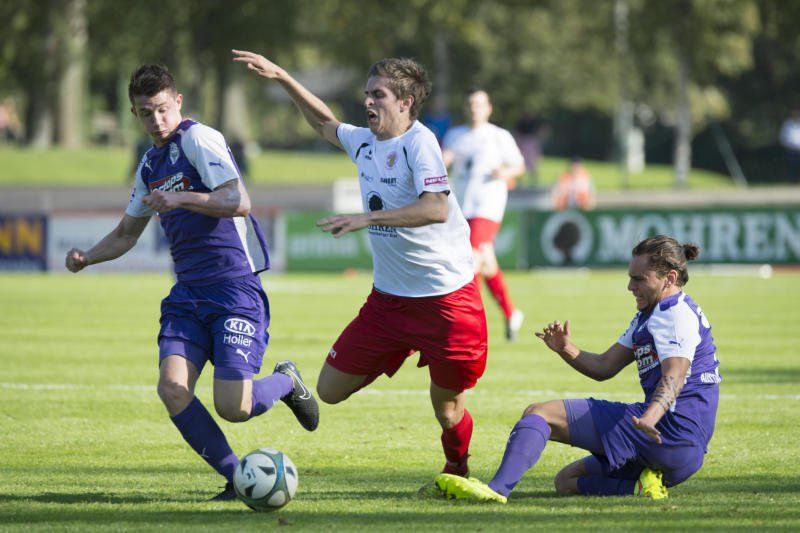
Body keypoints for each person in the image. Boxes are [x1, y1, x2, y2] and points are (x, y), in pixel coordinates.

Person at [65, 64, 319, 501]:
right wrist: (88, 257)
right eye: (147, 112)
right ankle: (237, 478)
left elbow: (239, 200)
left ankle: (285, 381)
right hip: (187, 294)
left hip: (233, 288)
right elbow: (126, 234)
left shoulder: (199, 139)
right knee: (172, 388)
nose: (157, 120)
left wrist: (179, 197)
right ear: (134, 113)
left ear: (178, 102)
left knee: (234, 407)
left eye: (163, 109)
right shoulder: (150, 164)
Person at [233, 50, 487, 479]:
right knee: (329, 390)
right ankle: (290, 380)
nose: (368, 102)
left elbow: (436, 208)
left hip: (446, 301)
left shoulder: (419, 142)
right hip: (389, 302)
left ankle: (456, 470)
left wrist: (365, 219)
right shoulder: (366, 141)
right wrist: (282, 77)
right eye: (367, 94)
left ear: (405, 102)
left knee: (447, 411)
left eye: (378, 95)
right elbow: (323, 123)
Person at [435, 235, 720, 502]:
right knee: (567, 481)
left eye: (639, 279)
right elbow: (605, 366)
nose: (630, 287)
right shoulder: (652, 314)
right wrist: (567, 349)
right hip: (678, 451)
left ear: (669, 278)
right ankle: (639, 487)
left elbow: (675, 375)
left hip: (664, 431)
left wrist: (650, 417)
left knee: (540, 413)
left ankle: (495, 491)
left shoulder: (673, 315)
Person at [441, 89, 527, 341]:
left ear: (489, 108)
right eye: (470, 104)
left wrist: (505, 173)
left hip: (488, 206)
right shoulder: (455, 135)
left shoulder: (498, 136)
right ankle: (511, 313)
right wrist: (442, 160)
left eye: (479, 104)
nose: (474, 109)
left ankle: (468, 320)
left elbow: (519, 165)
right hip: (461, 206)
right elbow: (442, 162)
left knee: (470, 257)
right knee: (485, 261)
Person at [779, 109, 800, 182]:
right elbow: (783, 137)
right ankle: (793, 181)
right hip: (791, 149)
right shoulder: (787, 124)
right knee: (792, 166)